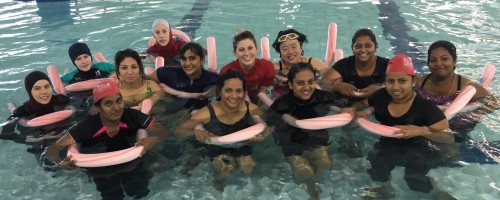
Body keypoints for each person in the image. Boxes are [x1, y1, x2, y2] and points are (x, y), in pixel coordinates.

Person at [355, 54, 455, 199]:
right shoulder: (380, 96)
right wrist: (359, 112)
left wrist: (421, 131)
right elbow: (361, 104)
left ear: (413, 80)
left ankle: (437, 191)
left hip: (418, 145)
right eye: (390, 81)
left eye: (402, 81)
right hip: (389, 141)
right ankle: (385, 189)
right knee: (377, 169)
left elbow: (448, 137)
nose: (395, 87)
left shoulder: (426, 107)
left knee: (414, 181)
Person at [43, 79, 159, 200]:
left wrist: (152, 139)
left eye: (118, 101)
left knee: (140, 192)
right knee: (112, 196)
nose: (116, 108)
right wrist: (60, 163)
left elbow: (161, 131)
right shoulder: (88, 127)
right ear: (98, 108)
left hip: (130, 163)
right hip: (102, 170)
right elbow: (52, 149)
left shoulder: (132, 116)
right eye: (108, 103)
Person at [266, 62, 352, 200]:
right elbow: (270, 123)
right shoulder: (282, 103)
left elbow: (345, 105)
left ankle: (321, 187)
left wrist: (349, 110)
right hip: (291, 139)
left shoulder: (323, 97)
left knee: (324, 163)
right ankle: (311, 189)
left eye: (310, 82)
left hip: (316, 137)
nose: (306, 87)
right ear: (290, 84)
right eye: (300, 83)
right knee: (303, 170)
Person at [173, 69, 267, 191]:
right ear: (219, 92)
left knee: (248, 168)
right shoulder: (206, 113)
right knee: (225, 169)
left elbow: (269, 125)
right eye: (228, 90)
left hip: (242, 144)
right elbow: (178, 132)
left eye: (239, 91)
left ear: (244, 92)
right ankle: (218, 180)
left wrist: (261, 134)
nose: (234, 96)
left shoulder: (252, 109)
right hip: (215, 147)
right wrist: (196, 132)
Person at [417, 40, 500, 164]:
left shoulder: (468, 86)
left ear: (454, 61)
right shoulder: (421, 82)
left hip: (458, 123)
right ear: (428, 63)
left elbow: (495, 102)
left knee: (447, 154)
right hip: (431, 119)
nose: (439, 63)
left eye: (444, 59)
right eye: (433, 60)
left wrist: (473, 115)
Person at [320, 28, 389, 157]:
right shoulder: (344, 64)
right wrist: (337, 86)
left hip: (372, 106)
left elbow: (402, 85)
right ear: (352, 48)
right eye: (358, 46)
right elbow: (322, 84)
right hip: (346, 104)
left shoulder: (386, 65)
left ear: (376, 47)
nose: (363, 50)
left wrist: (380, 89)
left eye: (368, 45)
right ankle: (347, 140)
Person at [149, 42, 218, 112]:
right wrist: (158, 91)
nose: (187, 63)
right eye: (184, 59)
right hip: (169, 108)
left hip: (197, 112)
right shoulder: (168, 74)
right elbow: (147, 79)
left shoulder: (212, 79)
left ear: (202, 60)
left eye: (192, 58)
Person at [220, 29, 275, 104]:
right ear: (235, 53)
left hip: (258, 97)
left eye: (250, 48)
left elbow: (263, 92)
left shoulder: (267, 67)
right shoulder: (226, 72)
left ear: (256, 48)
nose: (246, 53)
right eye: (241, 50)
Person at [270, 28, 328, 98]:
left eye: (294, 47)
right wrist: (275, 82)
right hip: (282, 96)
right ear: (280, 51)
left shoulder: (313, 64)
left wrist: (315, 82)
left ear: (301, 47)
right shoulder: (275, 68)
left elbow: (330, 79)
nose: (290, 52)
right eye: (285, 49)